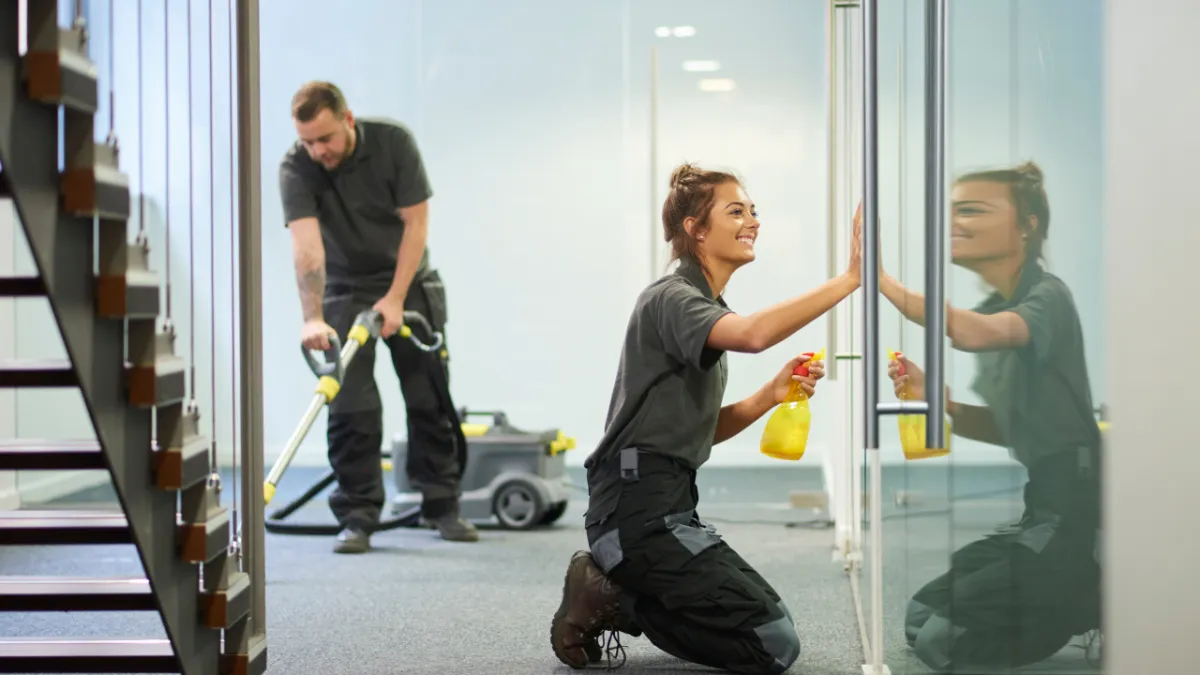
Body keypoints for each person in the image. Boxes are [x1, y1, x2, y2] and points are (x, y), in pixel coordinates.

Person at [549, 163, 863, 674]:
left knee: (773, 624)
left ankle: (620, 589)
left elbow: (692, 432)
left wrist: (770, 395)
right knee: (771, 645)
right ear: (695, 228)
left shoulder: (702, 302)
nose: (752, 221)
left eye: (753, 211)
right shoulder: (672, 296)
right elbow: (754, 335)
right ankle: (611, 594)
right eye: (736, 211)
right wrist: (851, 279)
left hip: (669, 506)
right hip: (634, 516)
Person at [882, 161, 1102, 671]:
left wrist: (879, 281)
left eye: (972, 210)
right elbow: (1014, 427)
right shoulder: (999, 305)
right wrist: (946, 406)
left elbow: (968, 332)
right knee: (921, 618)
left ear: (1027, 225)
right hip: (1039, 509)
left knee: (944, 644)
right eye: (953, 211)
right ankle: (1075, 589)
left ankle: (1090, 595)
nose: (954, 222)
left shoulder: (1047, 297)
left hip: (1073, 511)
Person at [278, 81, 477, 553]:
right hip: (345, 288)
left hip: (408, 280)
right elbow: (307, 249)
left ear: (347, 120)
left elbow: (416, 224)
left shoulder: (393, 143)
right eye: (308, 141)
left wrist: (395, 298)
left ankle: (441, 505)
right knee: (350, 406)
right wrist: (312, 317)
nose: (317, 151)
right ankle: (358, 515)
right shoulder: (296, 166)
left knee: (428, 397)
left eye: (325, 138)